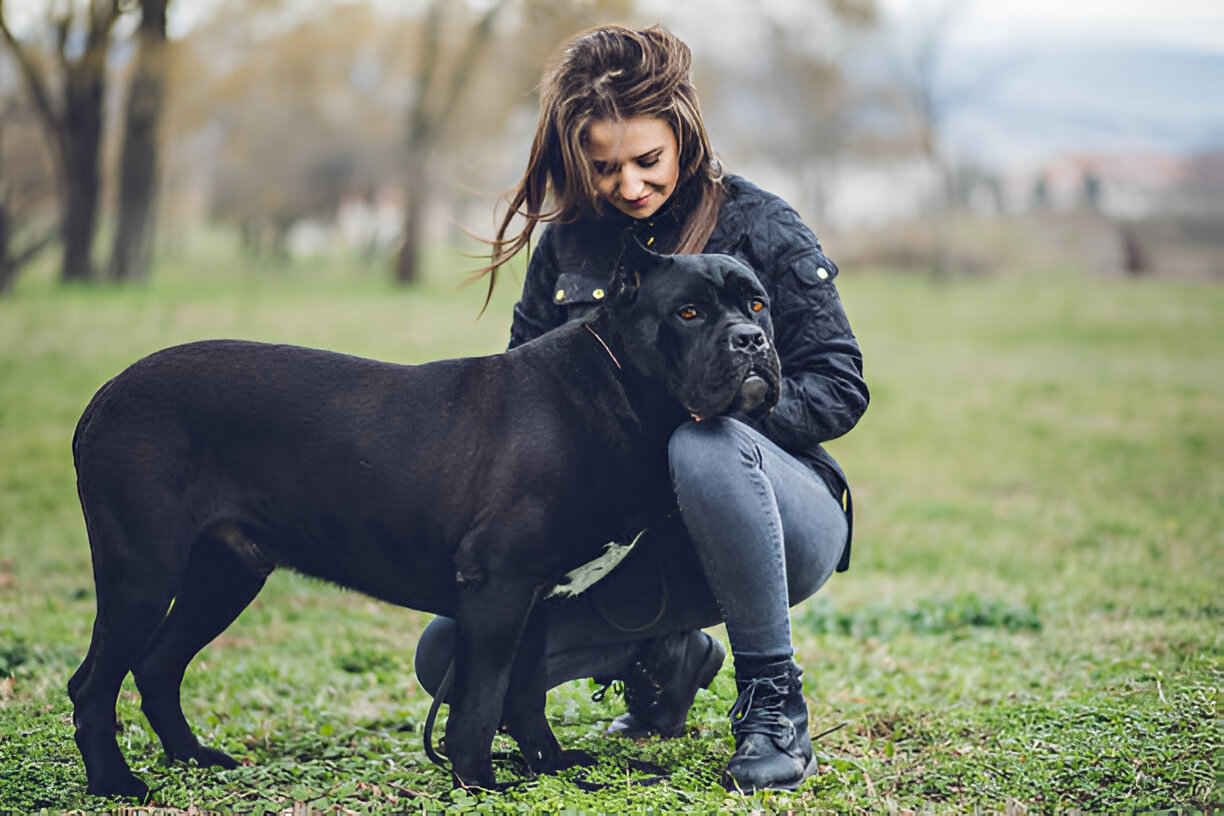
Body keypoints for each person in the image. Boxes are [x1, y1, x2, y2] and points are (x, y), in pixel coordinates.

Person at [414, 23, 868, 792]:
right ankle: (668, 654)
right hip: (631, 542)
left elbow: (841, 381)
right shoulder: (568, 248)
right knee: (450, 659)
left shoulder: (761, 226)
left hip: (781, 516)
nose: (628, 185)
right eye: (604, 168)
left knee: (704, 446)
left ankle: (772, 702)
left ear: (684, 133)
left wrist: (723, 408)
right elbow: (518, 400)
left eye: (647, 160)